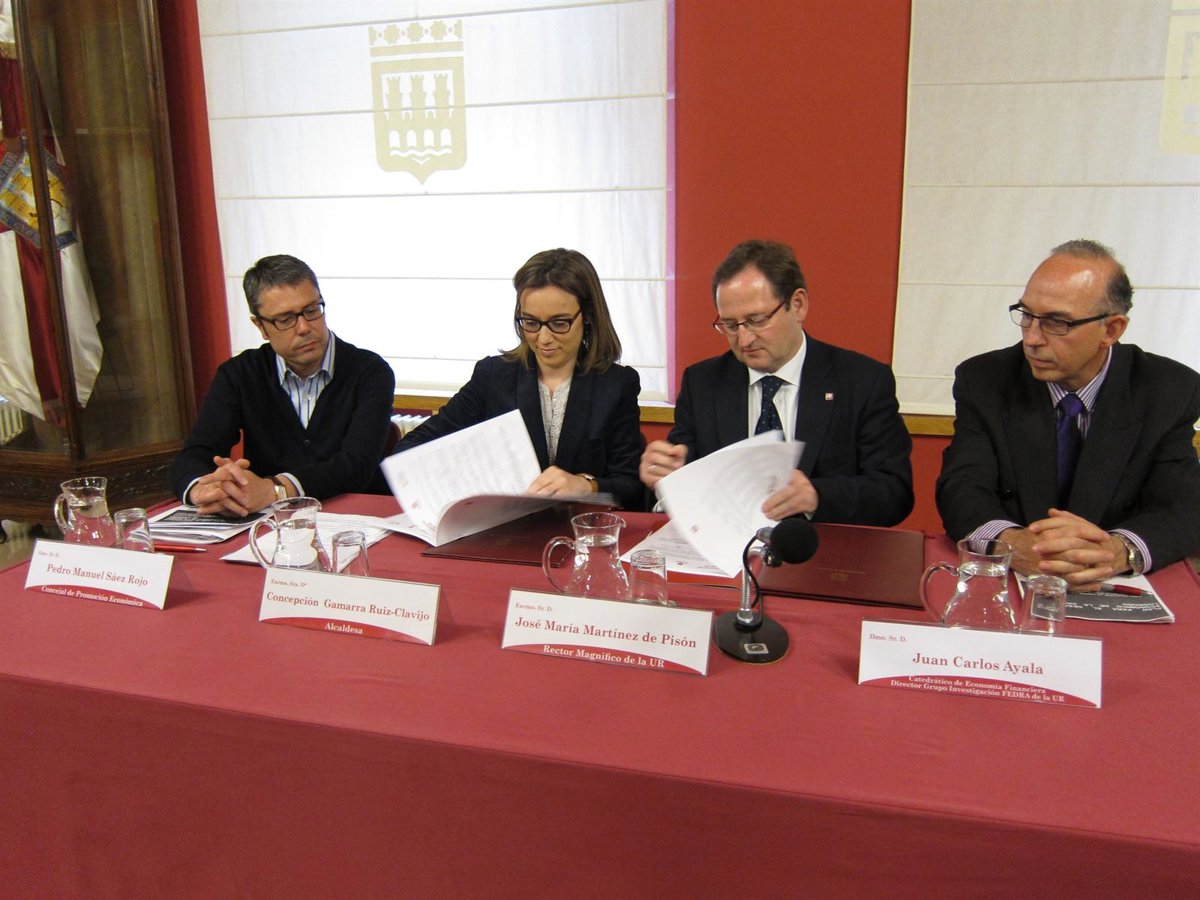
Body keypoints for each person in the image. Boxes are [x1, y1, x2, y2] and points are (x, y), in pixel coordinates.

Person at [936, 239, 1200, 587]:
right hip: (1015, 577)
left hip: (1109, 582)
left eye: (1056, 322)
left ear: (1111, 329)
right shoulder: (985, 379)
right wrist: (1011, 543)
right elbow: (962, 486)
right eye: (1027, 315)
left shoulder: (1169, 389)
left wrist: (1118, 551)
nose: (1032, 339)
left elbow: (1184, 506)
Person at [639, 239, 913, 525]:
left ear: (798, 305)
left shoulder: (862, 381)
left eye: (757, 320)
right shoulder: (703, 383)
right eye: (730, 325)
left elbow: (894, 492)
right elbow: (683, 478)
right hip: (727, 546)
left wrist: (818, 496)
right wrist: (665, 476)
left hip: (820, 545)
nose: (744, 339)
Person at [393, 248, 644, 510]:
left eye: (559, 323)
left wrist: (586, 485)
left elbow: (631, 488)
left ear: (588, 316)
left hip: (580, 527)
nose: (543, 339)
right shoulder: (492, 376)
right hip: (503, 524)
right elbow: (410, 448)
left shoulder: (617, 385)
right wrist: (457, 474)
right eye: (531, 323)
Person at [169, 254, 396, 515]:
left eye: (312, 310)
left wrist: (274, 490)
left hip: (355, 519)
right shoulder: (238, 374)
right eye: (286, 319)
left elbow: (356, 465)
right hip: (271, 523)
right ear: (261, 326)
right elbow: (197, 452)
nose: (304, 327)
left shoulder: (370, 371)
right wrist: (208, 489)